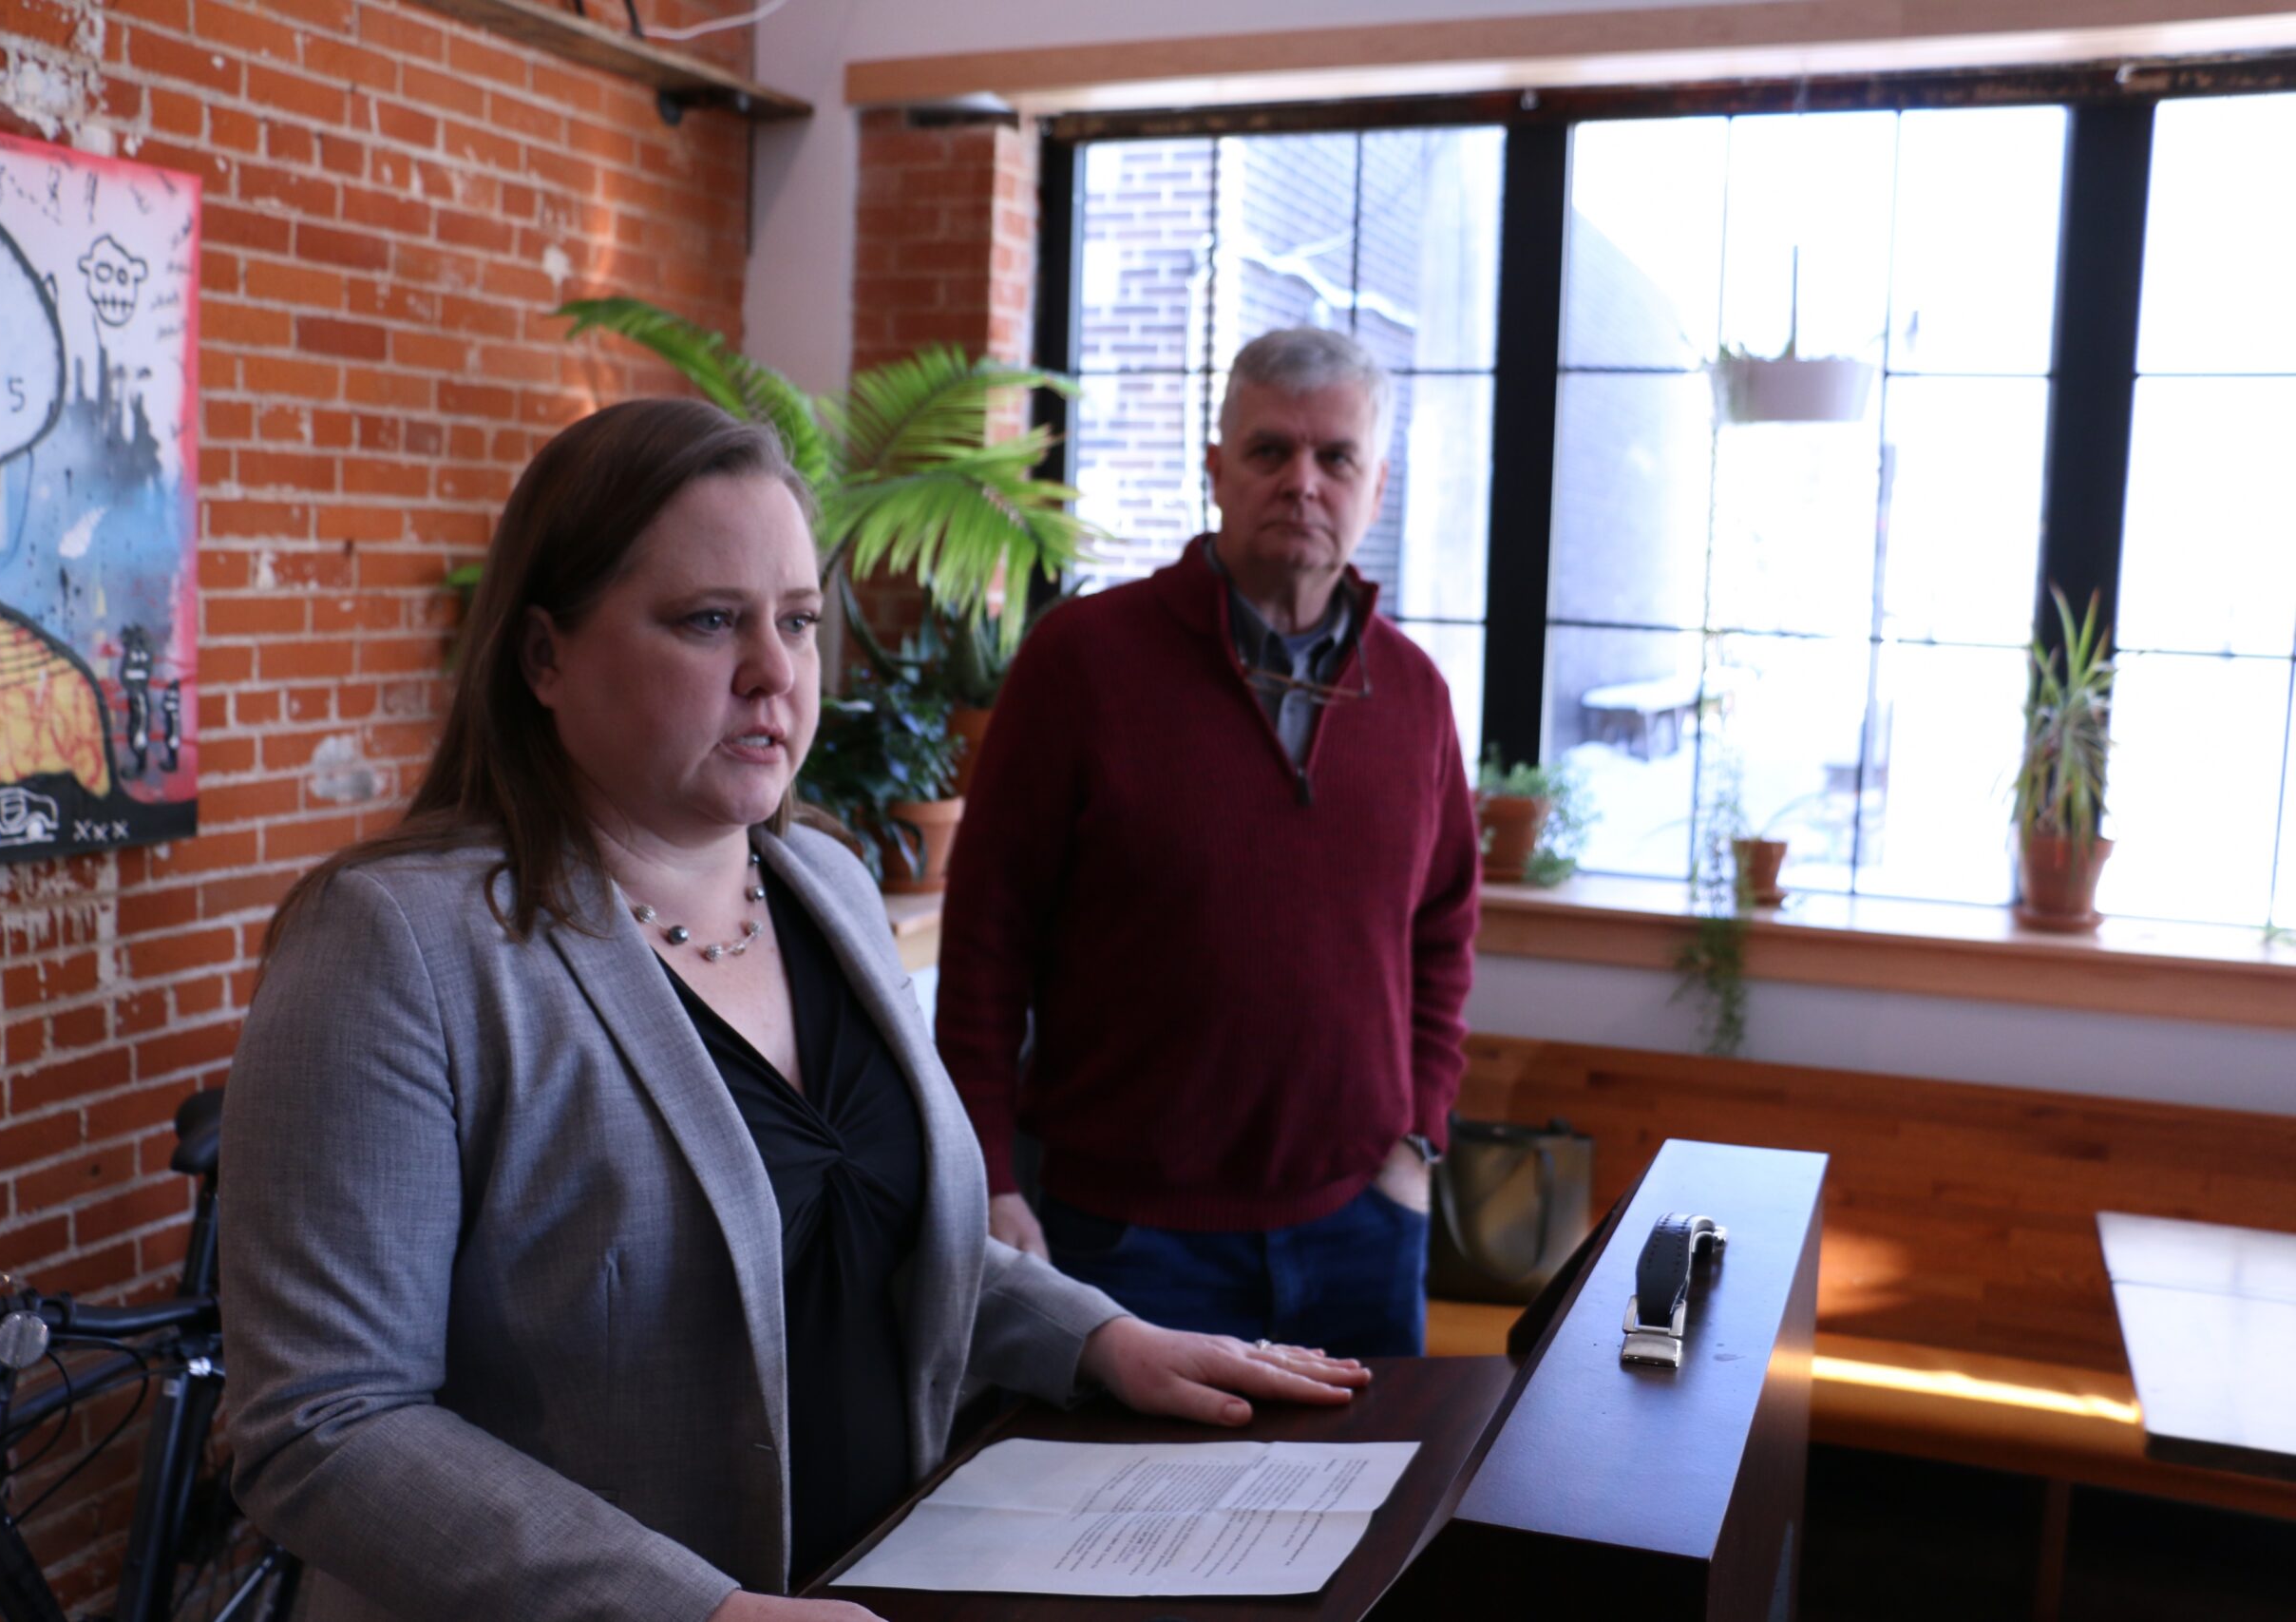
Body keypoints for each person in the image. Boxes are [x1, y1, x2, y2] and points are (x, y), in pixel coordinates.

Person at [218, 398, 1372, 1622]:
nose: (774, 672)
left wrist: (1094, 1339)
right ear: (544, 657)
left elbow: (865, 1239)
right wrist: (692, 1614)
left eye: (799, 622)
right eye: (709, 622)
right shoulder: (403, 948)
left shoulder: (824, 880)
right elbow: (325, 1427)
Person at [937, 327, 1479, 1360]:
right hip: (1125, 1235)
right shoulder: (1083, 663)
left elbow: (1444, 928)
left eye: (1336, 458)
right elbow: (986, 940)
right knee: (1112, 1524)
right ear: (1215, 469)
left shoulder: (1412, 694)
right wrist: (989, 1176)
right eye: (1269, 451)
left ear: (1377, 485)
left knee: (1367, 1519)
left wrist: (1416, 1135)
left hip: (1360, 1226)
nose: (1302, 483)